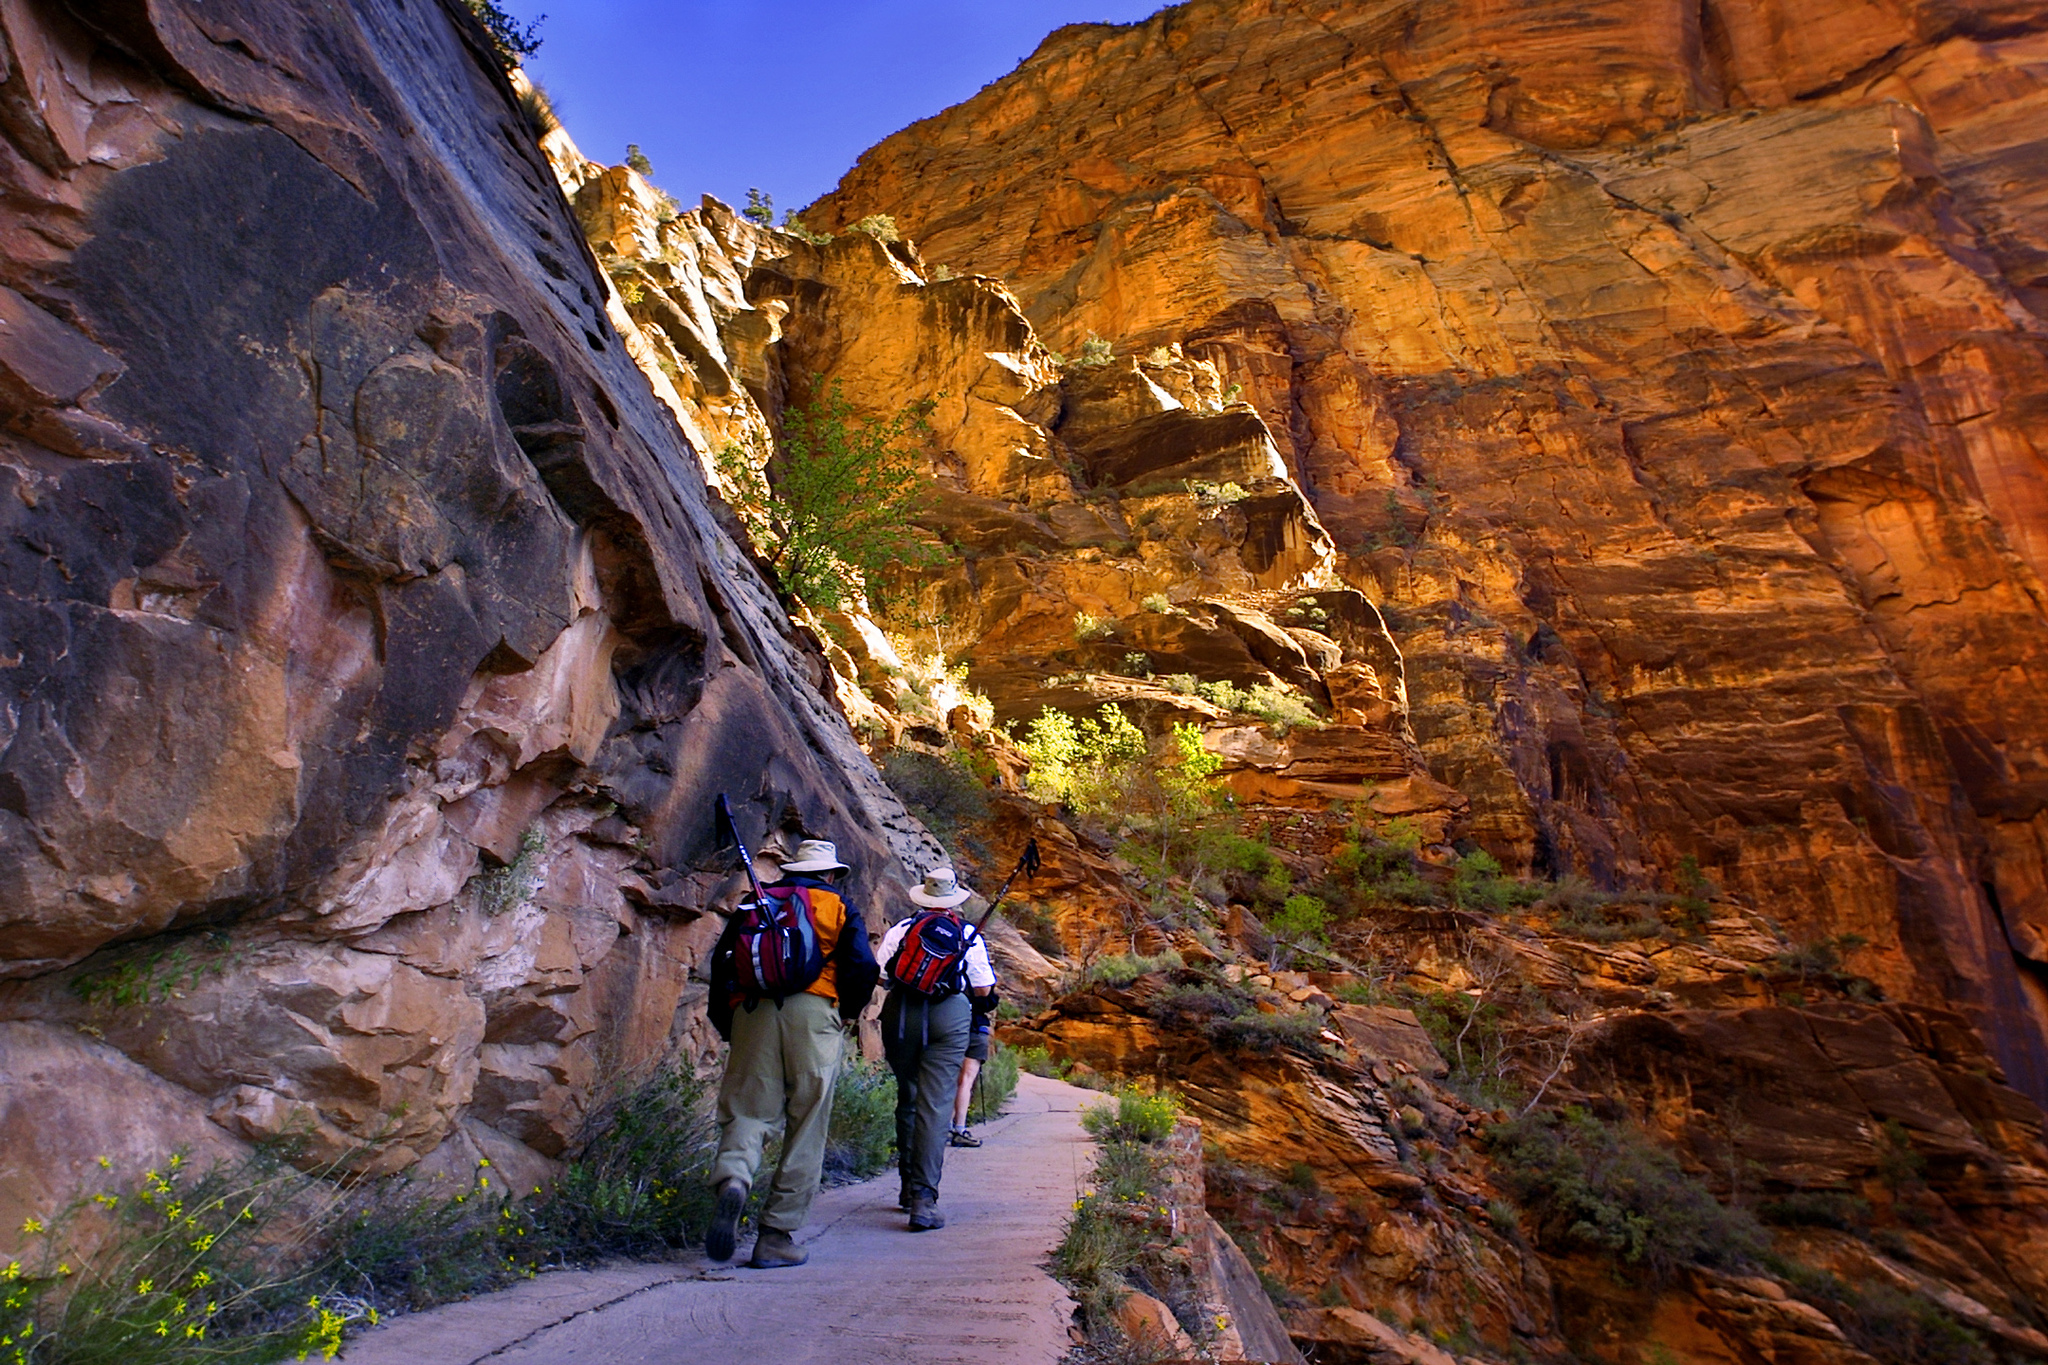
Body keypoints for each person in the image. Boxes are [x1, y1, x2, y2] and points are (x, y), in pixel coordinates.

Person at [706, 838, 879, 1269]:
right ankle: (775, 1236)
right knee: (807, 1121)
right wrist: (847, 1015)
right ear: (830, 874)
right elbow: (862, 967)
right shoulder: (837, 906)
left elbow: (721, 964)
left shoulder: (757, 901)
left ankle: (734, 1179)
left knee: (747, 1111)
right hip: (814, 1013)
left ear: (792, 870)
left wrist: (730, 1025)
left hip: (752, 1011)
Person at [877, 867, 996, 1231]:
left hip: (900, 1014)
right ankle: (923, 1200)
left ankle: (906, 1186)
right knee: (936, 1104)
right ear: (954, 900)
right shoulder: (967, 935)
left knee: (908, 1097)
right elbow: (983, 991)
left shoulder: (902, 929)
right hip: (949, 1017)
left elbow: (881, 974)